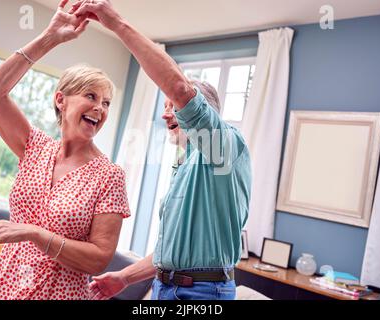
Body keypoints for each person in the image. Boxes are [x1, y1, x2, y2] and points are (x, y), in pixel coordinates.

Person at [73, 0, 252, 300]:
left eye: (173, 108)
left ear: (202, 113)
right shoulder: (187, 164)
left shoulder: (224, 146)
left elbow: (181, 89)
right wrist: (124, 277)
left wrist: (116, 22)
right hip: (165, 287)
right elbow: (171, 253)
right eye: (165, 107)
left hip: (203, 294)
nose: (165, 115)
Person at [0, 0, 130, 300]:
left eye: (107, 102)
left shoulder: (109, 176)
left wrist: (34, 233)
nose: (100, 108)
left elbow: (99, 258)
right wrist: (50, 37)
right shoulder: (35, 148)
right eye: (91, 96)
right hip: (2, 287)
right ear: (61, 100)